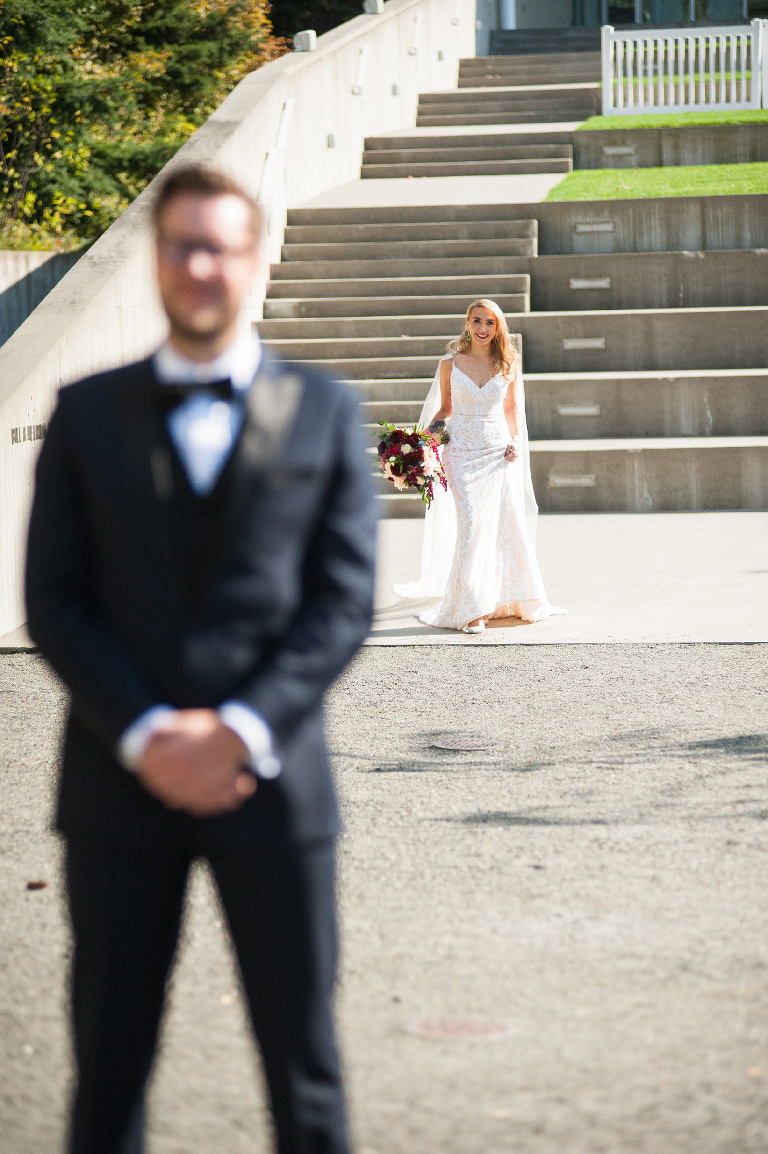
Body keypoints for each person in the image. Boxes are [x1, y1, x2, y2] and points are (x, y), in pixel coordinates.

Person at [25, 164, 377, 1154]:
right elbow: (54, 600)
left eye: (219, 246)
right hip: (115, 781)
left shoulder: (325, 409)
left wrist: (240, 728)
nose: (200, 266)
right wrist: (147, 732)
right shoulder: (85, 412)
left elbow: (342, 601)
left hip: (275, 783)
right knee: (107, 1072)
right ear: (156, 260)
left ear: (254, 259)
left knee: (305, 1069)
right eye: (181, 245)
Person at [395, 298, 564, 633]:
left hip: (496, 452)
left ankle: (497, 601)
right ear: (467, 323)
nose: (483, 328)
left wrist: (516, 441)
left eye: (490, 322)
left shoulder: (508, 362)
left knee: (501, 526)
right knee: (472, 523)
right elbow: (445, 409)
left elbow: (512, 409)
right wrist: (422, 444)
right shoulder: (449, 363)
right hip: (460, 451)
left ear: (498, 327)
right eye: (477, 320)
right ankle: (471, 608)